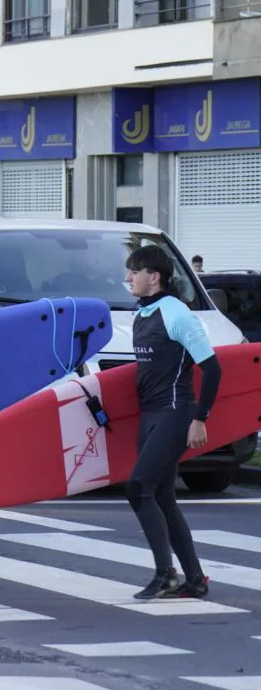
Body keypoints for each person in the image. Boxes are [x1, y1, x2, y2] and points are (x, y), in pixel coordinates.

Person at [125, 244, 218, 600]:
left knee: (138, 488)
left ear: (155, 277)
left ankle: (166, 574)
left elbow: (212, 368)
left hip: (175, 412)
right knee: (162, 496)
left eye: (135, 271)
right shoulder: (141, 314)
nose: (128, 278)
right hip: (150, 415)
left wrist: (200, 418)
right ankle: (194, 578)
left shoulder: (177, 314)